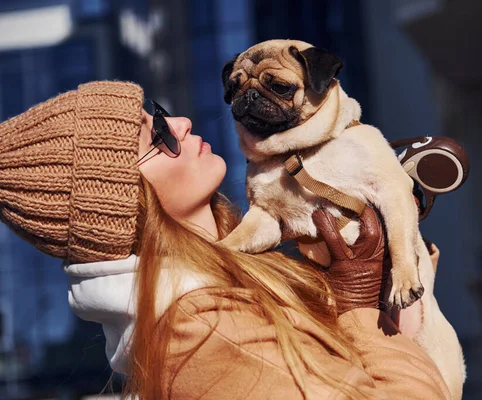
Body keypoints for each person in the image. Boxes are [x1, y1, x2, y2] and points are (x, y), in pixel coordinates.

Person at [0, 81, 451, 399]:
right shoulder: (200, 332)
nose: (179, 122)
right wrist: (364, 313)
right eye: (156, 135)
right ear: (121, 201)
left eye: (158, 112)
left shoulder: (227, 289)